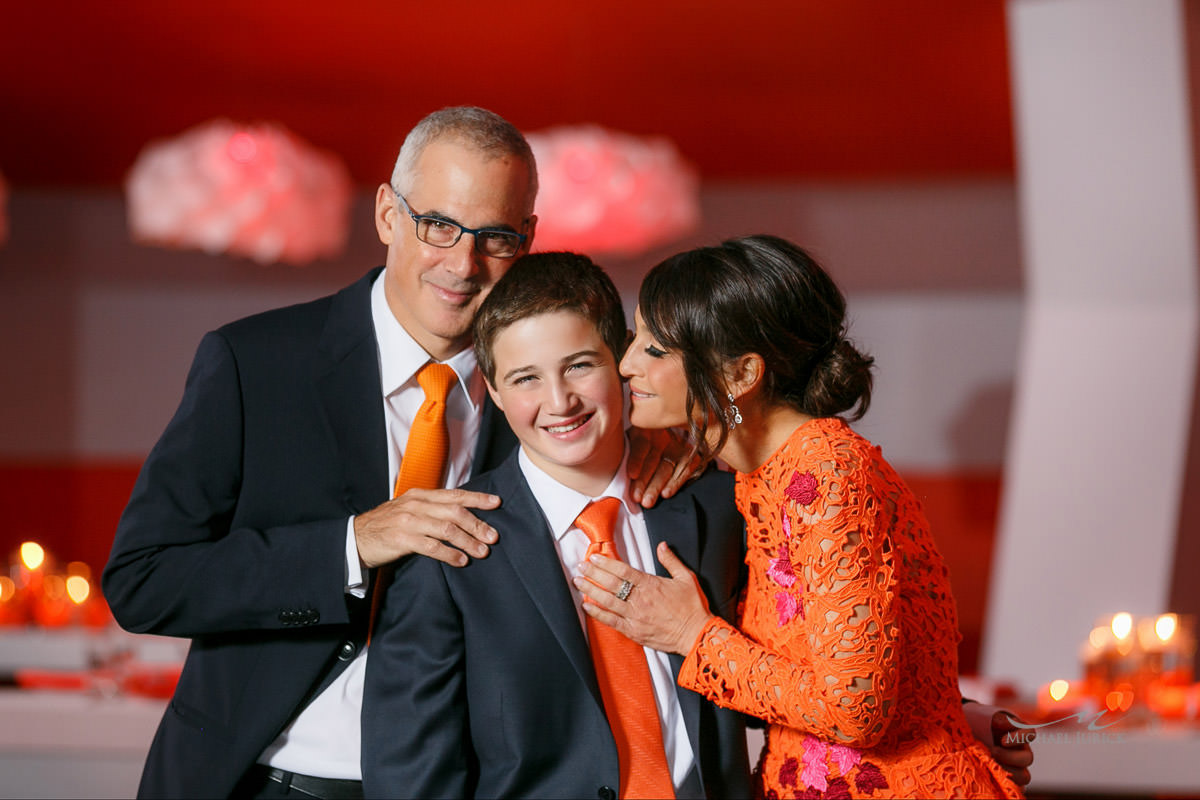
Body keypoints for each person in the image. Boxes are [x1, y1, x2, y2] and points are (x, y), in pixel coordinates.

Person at [101, 107, 686, 799]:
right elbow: (143, 581)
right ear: (386, 214)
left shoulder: (540, 404)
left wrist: (664, 448)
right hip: (256, 780)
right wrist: (351, 545)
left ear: (526, 240)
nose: (463, 264)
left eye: (494, 237)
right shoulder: (254, 363)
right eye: (438, 224)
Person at [577, 235, 1028, 798]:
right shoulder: (759, 475)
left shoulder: (827, 475)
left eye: (655, 350)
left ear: (742, 375)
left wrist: (693, 636)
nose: (625, 365)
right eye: (634, 338)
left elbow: (855, 707)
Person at [361, 252, 753, 799]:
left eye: (579, 365)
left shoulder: (714, 501)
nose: (559, 401)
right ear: (494, 393)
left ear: (622, 359)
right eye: (525, 378)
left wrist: (709, 429)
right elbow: (411, 774)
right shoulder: (449, 548)